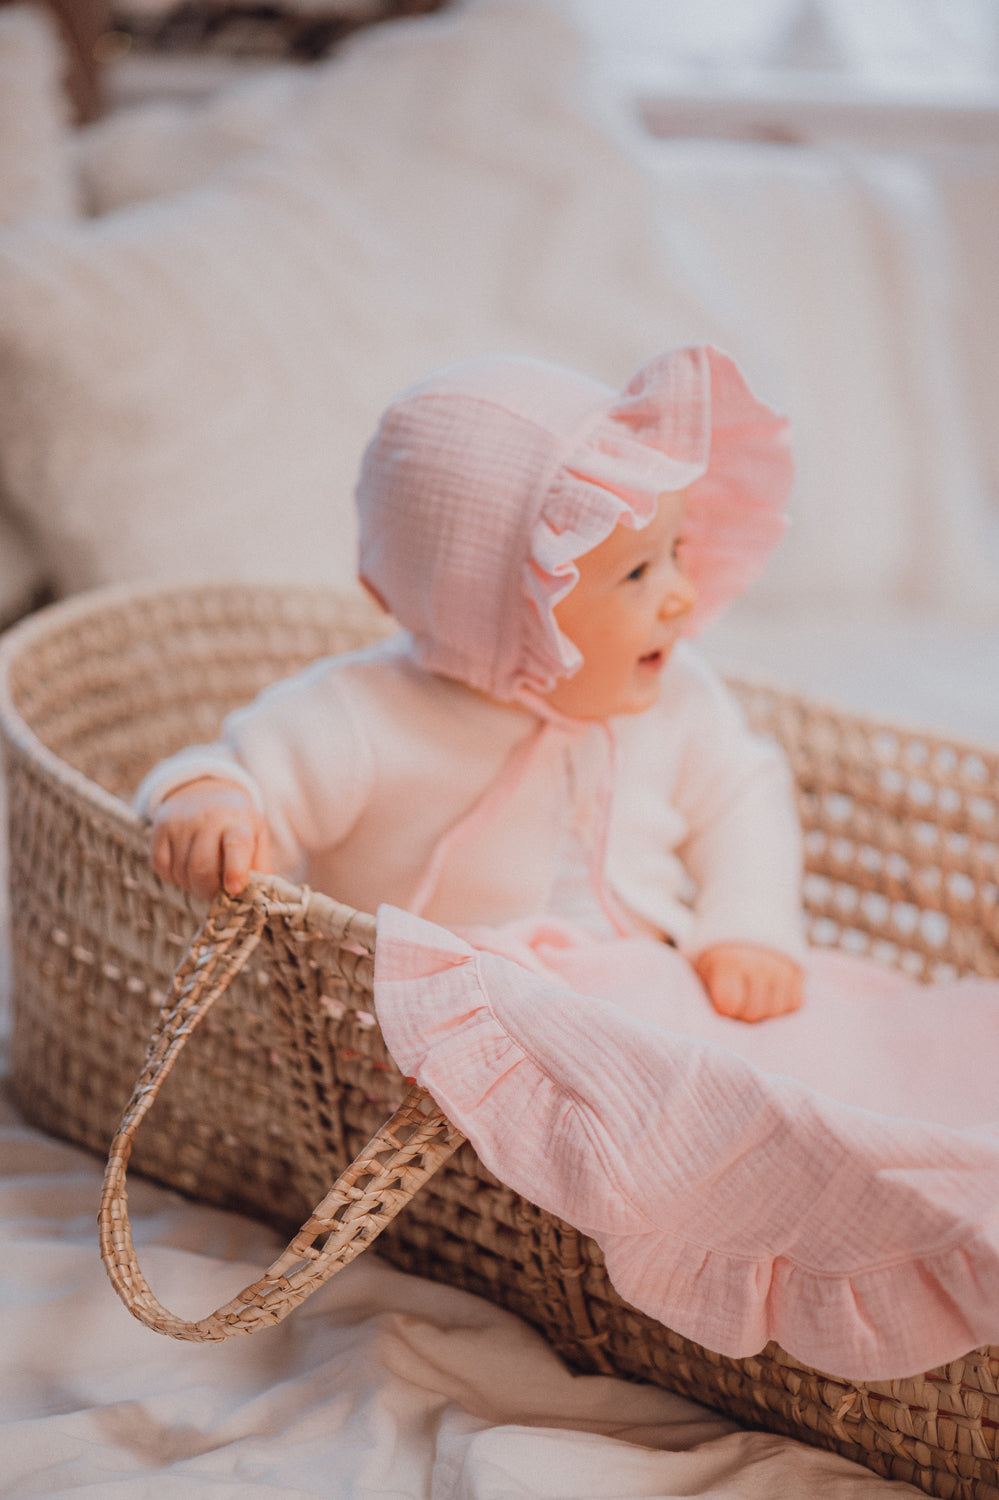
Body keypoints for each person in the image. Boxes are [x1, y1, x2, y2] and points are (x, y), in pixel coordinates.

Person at [137, 344, 806, 1024]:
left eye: (674, 554)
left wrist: (746, 927)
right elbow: (243, 774)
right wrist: (211, 802)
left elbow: (740, 796)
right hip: (437, 1032)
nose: (680, 596)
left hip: (646, 1007)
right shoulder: (369, 718)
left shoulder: (677, 695)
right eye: (637, 574)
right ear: (500, 609)